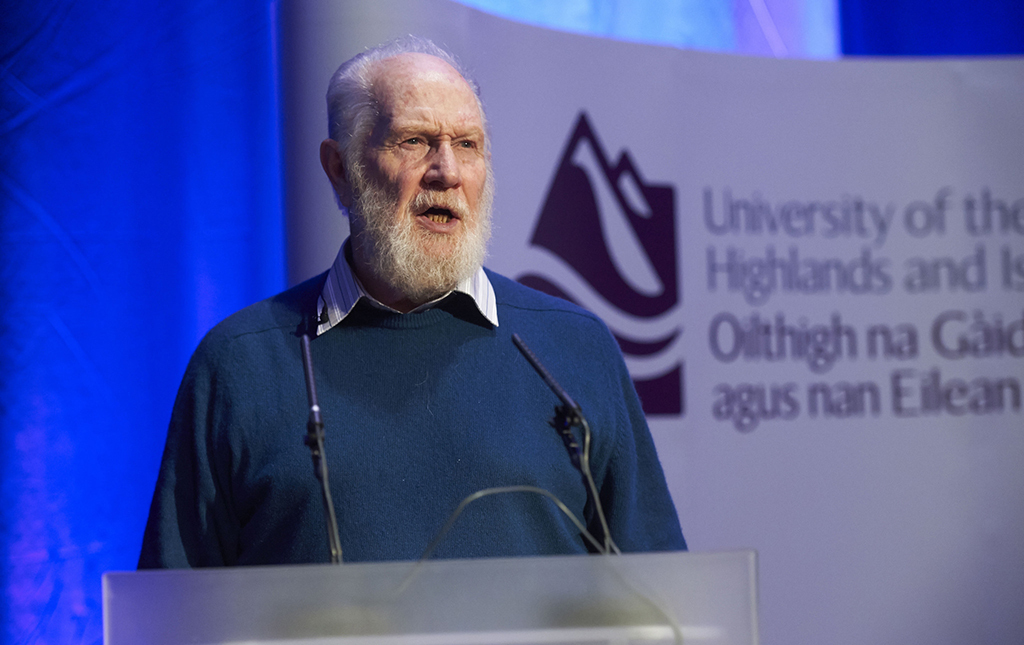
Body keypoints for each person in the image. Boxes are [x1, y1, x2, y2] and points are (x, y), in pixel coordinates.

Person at [138, 36, 685, 568]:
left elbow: (663, 599)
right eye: (415, 141)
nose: (447, 172)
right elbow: (174, 630)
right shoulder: (241, 365)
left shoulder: (570, 350)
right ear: (340, 168)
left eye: (468, 145)